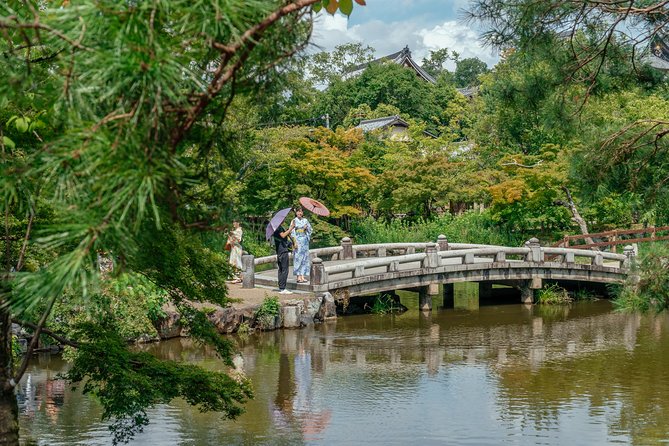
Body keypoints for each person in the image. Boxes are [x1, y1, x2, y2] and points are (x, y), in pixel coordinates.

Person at [291, 207, 313, 283]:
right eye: (298, 212)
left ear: (303, 213)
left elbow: (310, 230)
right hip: (298, 240)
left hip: (304, 241)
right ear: (296, 213)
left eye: (301, 212)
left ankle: (303, 276)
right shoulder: (294, 221)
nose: (300, 213)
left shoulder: (305, 220)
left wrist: (306, 228)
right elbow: (292, 232)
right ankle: (298, 276)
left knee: (304, 258)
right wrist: (294, 242)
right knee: (297, 258)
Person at [273, 219, 295, 294]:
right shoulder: (278, 228)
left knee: (281, 269)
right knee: (285, 269)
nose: (284, 220)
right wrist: (291, 228)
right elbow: (283, 235)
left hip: (280, 250)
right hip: (282, 250)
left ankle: (281, 287)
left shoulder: (277, 227)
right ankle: (282, 288)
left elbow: (284, 238)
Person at [227, 219, 243, 283]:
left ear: (238, 223)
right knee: (232, 262)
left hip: (237, 248)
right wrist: (229, 235)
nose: (233, 223)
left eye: (235, 222)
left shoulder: (239, 230)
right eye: (233, 222)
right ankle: (236, 277)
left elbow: (239, 240)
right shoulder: (235, 230)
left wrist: (233, 234)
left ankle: (239, 278)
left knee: (237, 262)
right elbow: (232, 239)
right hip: (233, 247)